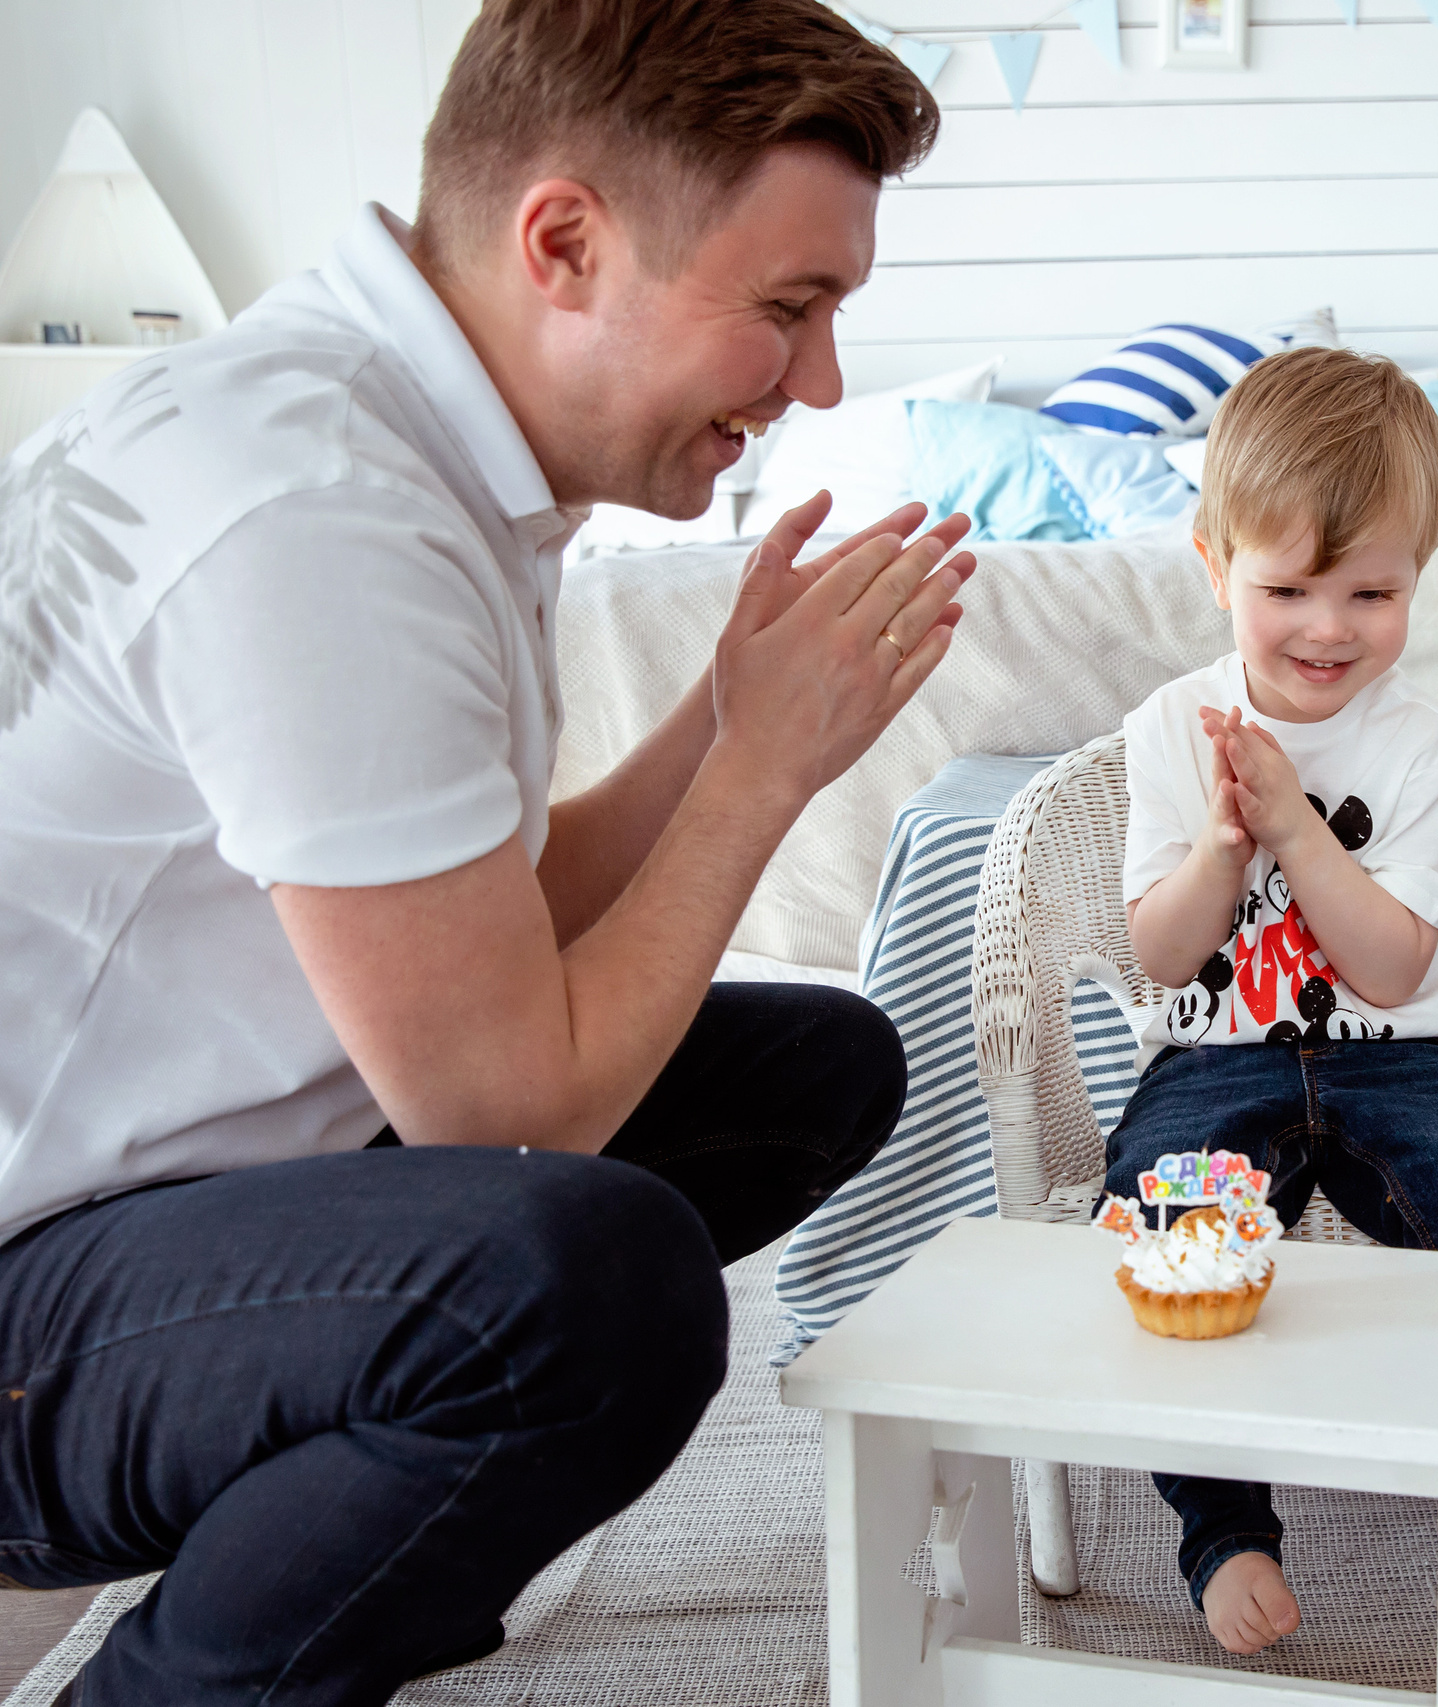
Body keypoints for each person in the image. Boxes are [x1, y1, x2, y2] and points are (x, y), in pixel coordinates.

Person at [0, 3, 973, 1700]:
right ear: (566, 244)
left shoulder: (407, 436)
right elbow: (507, 1110)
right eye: (788, 308)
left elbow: (483, 921)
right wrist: (757, 782)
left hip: (158, 1183)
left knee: (813, 1065)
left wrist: (715, 725)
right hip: (31, 1287)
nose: (822, 381)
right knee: (586, 1291)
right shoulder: (326, 514)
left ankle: (359, 1527)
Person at [1102, 346, 1438, 1656]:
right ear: (1214, 566)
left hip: (1407, 1054)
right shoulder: (1170, 729)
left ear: (1418, 579)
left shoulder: (1424, 749)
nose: (1330, 627)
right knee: (1170, 1220)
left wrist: (1296, 830)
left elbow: (1391, 967)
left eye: (1371, 591)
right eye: (1287, 589)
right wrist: (1222, 847)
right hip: (1217, 1054)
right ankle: (1223, 1531)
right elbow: (1162, 959)